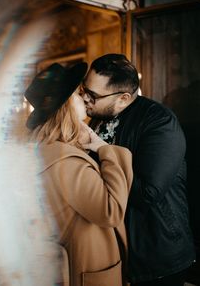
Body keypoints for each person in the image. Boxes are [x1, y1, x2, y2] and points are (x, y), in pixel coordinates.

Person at [81, 53, 196, 286]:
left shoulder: (160, 122)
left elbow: (147, 194)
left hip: (157, 257)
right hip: (118, 254)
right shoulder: (99, 115)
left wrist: (103, 149)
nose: (85, 99)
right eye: (84, 89)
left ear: (123, 98)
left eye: (93, 95)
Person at [24, 62, 133, 286]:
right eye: (78, 93)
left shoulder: (45, 150)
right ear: (65, 107)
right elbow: (110, 211)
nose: (85, 98)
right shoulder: (65, 161)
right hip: (85, 268)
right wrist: (106, 151)